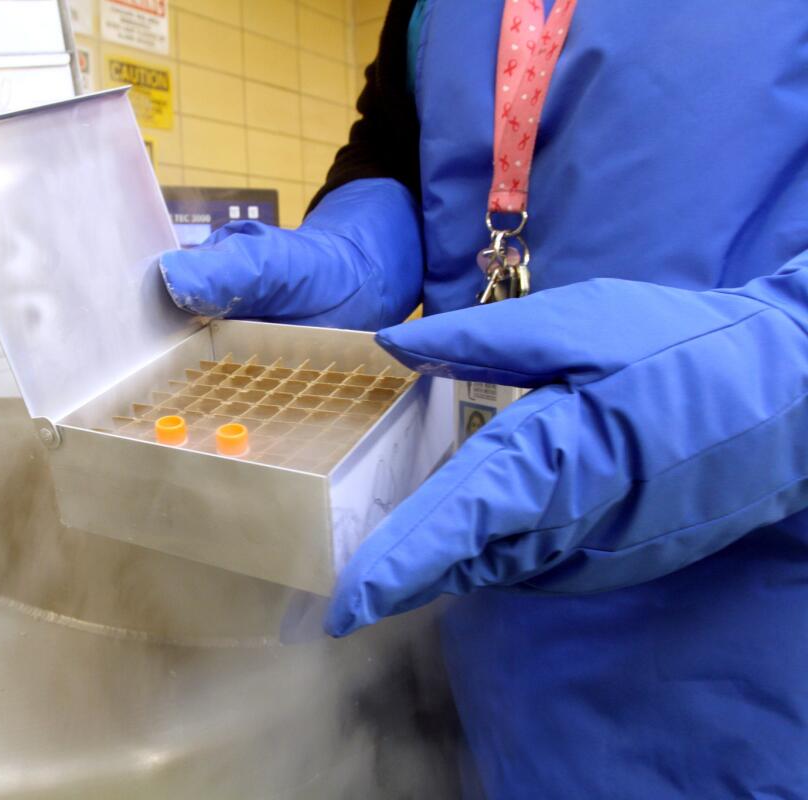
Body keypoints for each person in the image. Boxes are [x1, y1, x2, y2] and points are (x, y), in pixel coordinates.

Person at [157, 0, 808, 797]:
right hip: (473, 642)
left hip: (742, 666)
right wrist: (358, 246)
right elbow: (395, 150)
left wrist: (745, 380)